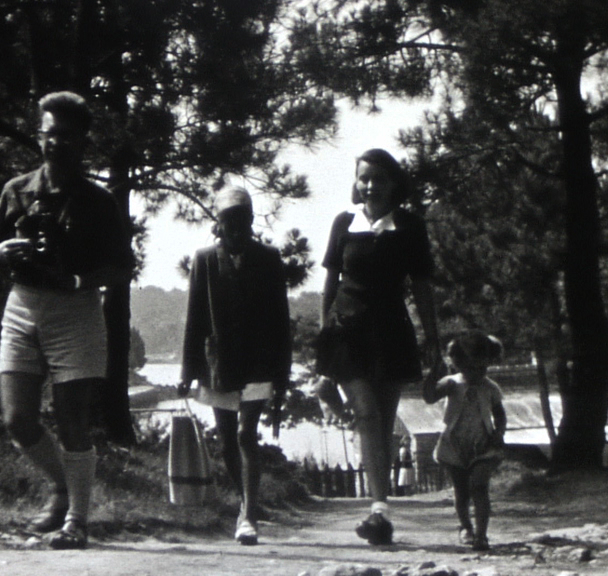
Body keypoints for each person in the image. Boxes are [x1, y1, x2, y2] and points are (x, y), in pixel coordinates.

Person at [0, 91, 131, 549]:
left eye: (66, 136)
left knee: (72, 422)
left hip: (75, 308)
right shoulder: (17, 190)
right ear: (39, 135)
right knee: (17, 417)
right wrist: (0, 251)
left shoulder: (99, 202)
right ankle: (61, 487)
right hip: (24, 303)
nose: (55, 143)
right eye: (48, 134)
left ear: (83, 140)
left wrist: (80, 279)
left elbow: (122, 267)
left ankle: (77, 522)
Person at [317, 148, 441, 545]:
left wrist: (433, 344)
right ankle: (379, 508)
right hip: (348, 334)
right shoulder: (343, 223)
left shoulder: (409, 226)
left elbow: (422, 290)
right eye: (364, 178)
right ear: (356, 182)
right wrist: (324, 338)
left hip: (391, 333)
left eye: (379, 179)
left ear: (393, 184)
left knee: (384, 425)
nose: (370, 186)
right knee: (367, 415)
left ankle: (379, 513)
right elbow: (330, 285)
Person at [178, 186, 291, 546]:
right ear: (218, 224)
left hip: (258, 362)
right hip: (220, 363)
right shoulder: (205, 259)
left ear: (252, 221)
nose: (236, 229)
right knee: (227, 440)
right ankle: (246, 501)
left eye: (242, 220)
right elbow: (195, 318)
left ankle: (249, 514)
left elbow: (280, 320)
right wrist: (187, 371)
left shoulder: (269, 259)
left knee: (246, 434)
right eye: (229, 222)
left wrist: (282, 374)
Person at [423, 330, 507, 552]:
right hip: (454, 445)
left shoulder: (491, 388)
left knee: (479, 487)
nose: (478, 373)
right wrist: (433, 374)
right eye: (472, 368)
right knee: (461, 491)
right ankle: (465, 527)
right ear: (458, 364)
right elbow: (429, 397)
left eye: (483, 368)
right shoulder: (451, 384)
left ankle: (482, 536)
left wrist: (499, 432)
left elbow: (499, 414)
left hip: (483, 445)